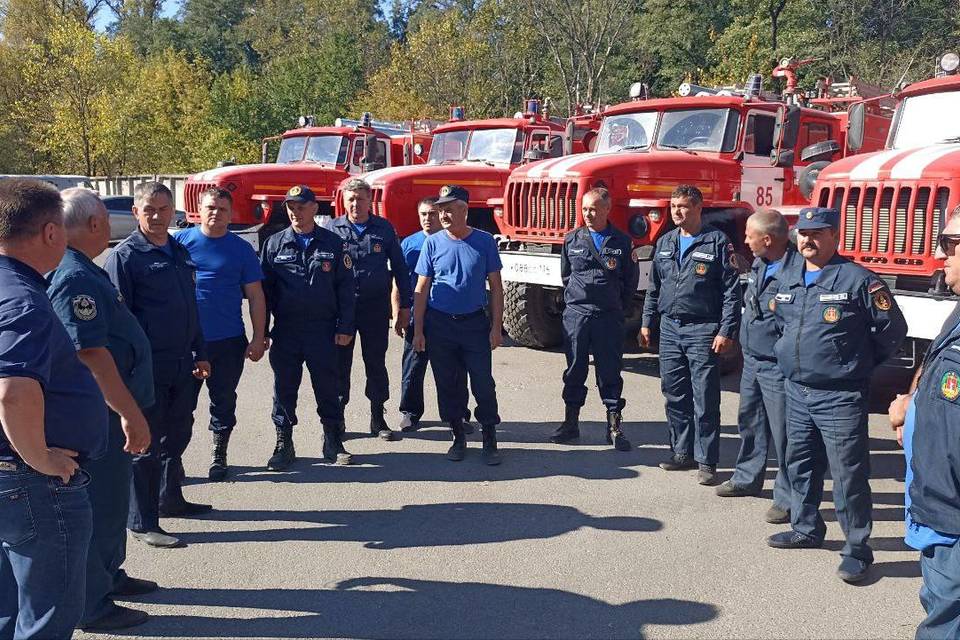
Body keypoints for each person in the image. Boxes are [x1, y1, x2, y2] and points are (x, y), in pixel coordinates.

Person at [766, 206, 906, 584]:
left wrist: (855, 366)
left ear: (834, 237)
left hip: (840, 396)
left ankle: (858, 549)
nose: (807, 239)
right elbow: (779, 324)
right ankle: (807, 527)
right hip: (797, 391)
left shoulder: (859, 280)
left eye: (817, 233)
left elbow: (892, 332)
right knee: (800, 464)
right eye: (803, 233)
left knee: (848, 476)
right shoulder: (788, 276)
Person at [0, 179, 107, 639]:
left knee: (9, 609)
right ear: (49, 233)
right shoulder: (23, 301)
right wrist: (40, 457)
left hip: (11, 478)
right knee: (46, 618)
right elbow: (13, 390)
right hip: (32, 482)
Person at [46, 189, 157, 631]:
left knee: (111, 504)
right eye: (107, 221)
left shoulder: (85, 270)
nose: (110, 229)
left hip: (110, 411)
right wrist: (130, 412)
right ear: (94, 224)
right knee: (100, 505)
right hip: (102, 415)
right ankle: (92, 602)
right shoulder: (75, 278)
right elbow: (90, 356)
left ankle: (109, 576)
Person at [105, 181, 211, 549]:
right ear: (136, 212)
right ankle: (143, 520)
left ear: (173, 211)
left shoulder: (179, 252)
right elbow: (119, 322)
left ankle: (171, 498)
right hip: (148, 368)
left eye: (163, 208)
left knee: (177, 434)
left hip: (183, 363)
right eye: (149, 209)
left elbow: (190, 308)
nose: (156, 215)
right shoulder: (125, 257)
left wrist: (201, 351)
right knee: (146, 444)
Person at [639, 184, 741, 485]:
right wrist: (647, 322)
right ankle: (681, 452)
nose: (676, 212)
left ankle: (707, 460)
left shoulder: (717, 242)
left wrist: (726, 330)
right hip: (670, 327)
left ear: (698, 207)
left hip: (702, 329)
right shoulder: (667, 242)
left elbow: (731, 292)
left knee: (705, 396)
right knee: (674, 393)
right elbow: (654, 287)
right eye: (673, 207)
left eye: (682, 206)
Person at [889, 216, 960, 638]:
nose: (941, 254)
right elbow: (937, 364)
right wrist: (913, 402)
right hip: (937, 508)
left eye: (951, 244)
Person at [261, 185, 356, 468]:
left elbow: (347, 289)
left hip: (322, 329)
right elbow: (263, 294)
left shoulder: (333, 244)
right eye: (290, 206)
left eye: (301, 206)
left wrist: (346, 326)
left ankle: (333, 439)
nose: (295, 212)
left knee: (328, 385)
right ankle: (284, 443)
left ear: (315, 208)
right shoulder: (275, 243)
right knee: (284, 388)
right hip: (287, 330)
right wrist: (262, 332)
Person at [176, 187, 267, 481]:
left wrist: (258, 337)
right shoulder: (178, 243)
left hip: (227, 341)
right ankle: (173, 461)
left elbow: (255, 296)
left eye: (222, 209)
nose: (216, 214)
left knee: (223, 400)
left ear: (231, 214)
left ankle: (219, 454)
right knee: (180, 405)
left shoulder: (240, 250)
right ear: (199, 211)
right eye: (210, 208)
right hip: (186, 342)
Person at [715, 209, 797, 524]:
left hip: (777, 365)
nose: (744, 241)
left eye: (750, 235)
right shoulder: (762, 262)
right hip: (753, 360)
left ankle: (787, 497)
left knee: (785, 434)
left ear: (767, 239)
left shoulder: (795, 271)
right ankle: (747, 477)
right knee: (749, 421)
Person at [412, 185, 504, 465]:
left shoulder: (485, 241)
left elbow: (496, 287)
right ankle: (457, 435)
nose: (444, 214)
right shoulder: (432, 243)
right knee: (448, 385)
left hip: (474, 324)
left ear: (465, 209)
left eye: (450, 208)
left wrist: (496, 327)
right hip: (440, 325)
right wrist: (418, 330)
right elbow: (421, 288)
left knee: (483, 383)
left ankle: (489, 436)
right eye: (441, 209)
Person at [552, 187, 638, 450]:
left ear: (606, 210)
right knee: (575, 370)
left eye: (594, 209)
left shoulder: (622, 242)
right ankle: (570, 424)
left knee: (610, 371)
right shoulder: (572, 240)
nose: (588, 214)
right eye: (585, 209)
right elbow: (566, 276)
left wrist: (615, 305)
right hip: (577, 316)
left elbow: (630, 281)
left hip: (607, 318)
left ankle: (614, 427)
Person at [327, 178, 411, 441]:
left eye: (360, 199)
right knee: (340, 364)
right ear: (344, 200)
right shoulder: (332, 229)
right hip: (342, 310)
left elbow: (400, 270)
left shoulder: (384, 229)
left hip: (374, 308)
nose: (355, 204)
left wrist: (404, 307)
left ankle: (378, 416)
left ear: (369, 200)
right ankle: (338, 417)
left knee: (375, 362)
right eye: (350, 199)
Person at [393, 197, 472, 433]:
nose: (428, 219)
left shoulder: (454, 241)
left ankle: (458, 415)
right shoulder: (409, 244)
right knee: (413, 367)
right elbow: (398, 281)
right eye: (423, 214)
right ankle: (410, 412)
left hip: (445, 316)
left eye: (432, 214)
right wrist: (397, 313)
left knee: (453, 369)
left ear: (441, 214)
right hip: (417, 316)